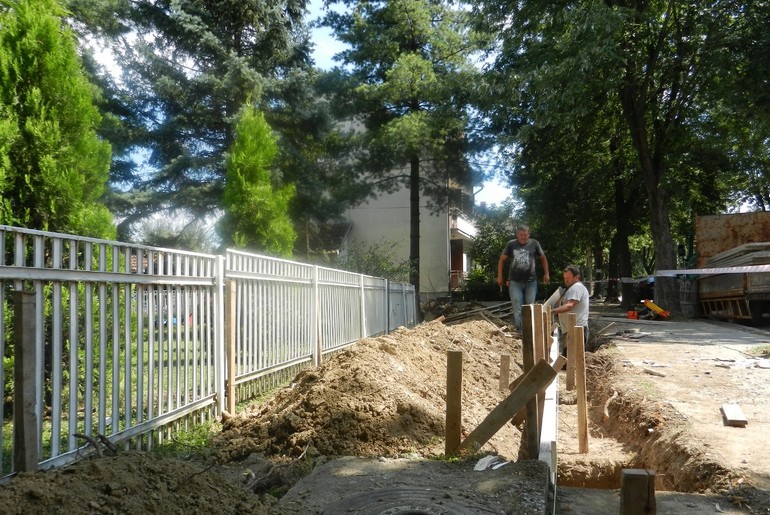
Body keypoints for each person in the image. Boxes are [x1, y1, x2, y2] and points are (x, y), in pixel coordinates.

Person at [496, 225, 550, 332]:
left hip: (531, 281)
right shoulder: (511, 244)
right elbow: (502, 260)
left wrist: (546, 273)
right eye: (521, 235)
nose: (523, 237)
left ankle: (529, 331)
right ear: (517, 235)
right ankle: (520, 331)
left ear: (528, 234)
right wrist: (500, 276)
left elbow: (543, 258)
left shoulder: (534, 243)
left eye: (525, 235)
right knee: (517, 306)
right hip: (515, 282)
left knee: (529, 307)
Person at [551, 265, 590, 353]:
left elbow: (570, 305)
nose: (566, 280)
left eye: (568, 278)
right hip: (570, 330)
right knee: (569, 361)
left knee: (573, 361)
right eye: (564, 278)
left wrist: (552, 311)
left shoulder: (576, 287)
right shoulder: (572, 289)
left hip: (576, 330)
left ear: (577, 277)